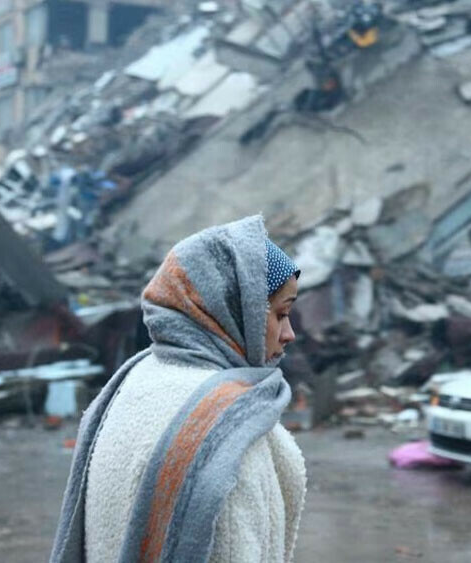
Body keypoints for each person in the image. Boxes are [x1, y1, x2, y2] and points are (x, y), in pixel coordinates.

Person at [50, 215, 306, 563]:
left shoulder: (132, 381)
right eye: (280, 314)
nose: (289, 333)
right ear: (240, 311)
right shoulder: (227, 428)